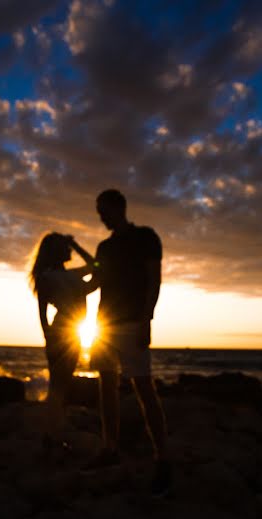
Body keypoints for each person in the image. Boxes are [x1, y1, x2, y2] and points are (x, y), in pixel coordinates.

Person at [84, 188, 171, 495]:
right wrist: (61, 284)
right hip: (104, 325)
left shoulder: (146, 237)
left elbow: (154, 280)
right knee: (105, 385)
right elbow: (95, 281)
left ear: (118, 207)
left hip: (133, 322)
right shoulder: (103, 248)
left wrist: (147, 319)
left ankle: (163, 458)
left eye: (102, 210)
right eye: (98, 211)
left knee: (144, 388)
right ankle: (109, 449)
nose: (100, 216)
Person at [29, 232, 97, 458]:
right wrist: (49, 338)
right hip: (63, 334)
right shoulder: (54, 277)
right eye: (65, 247)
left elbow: (98, 268)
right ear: (57, 251)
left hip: (69, 334)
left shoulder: (67, 276)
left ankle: (53, 436)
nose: (69, 251)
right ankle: (52, 438)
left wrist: (74, 243)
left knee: (60, 388)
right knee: (58, 388)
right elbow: (42, 313)